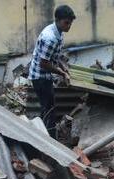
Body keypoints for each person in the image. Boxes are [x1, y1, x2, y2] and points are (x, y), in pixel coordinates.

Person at [28, 5, 76, 137]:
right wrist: (62, 73)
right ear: (58, 20)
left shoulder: (58, 32)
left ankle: (44, 134)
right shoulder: (50, 38)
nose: (69, 26)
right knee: (49, 109)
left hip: (45, 75)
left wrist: (63, 66)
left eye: (70, 23)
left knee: (48, 107)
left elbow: (55, 56)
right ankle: (47, 138)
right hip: (40, 77)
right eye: (66, 22)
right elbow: (44, 64)